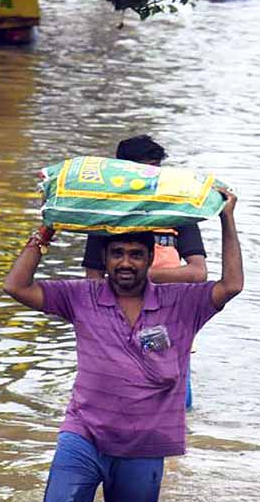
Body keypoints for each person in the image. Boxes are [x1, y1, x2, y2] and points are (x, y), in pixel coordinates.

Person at [3, 190, 242, 502]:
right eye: (117, 254)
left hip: (145, 444)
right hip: (83, 434)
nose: (125, 262)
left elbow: (231, 285)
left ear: (149, 260)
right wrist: (45, 233)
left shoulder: (182, 302)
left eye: (135, 254)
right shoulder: (81, 296)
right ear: (105, 259)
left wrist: (226, 218)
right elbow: (16, 286)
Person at [82, 136, 209, 409]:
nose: (152, 177)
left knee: (172, 392)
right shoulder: (104, 219)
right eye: (145, 170)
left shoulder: (176, 213)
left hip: (168, 316)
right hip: (118, 319)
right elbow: (93, 282)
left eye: (155, 170)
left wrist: (138, 275)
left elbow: (198, 273)